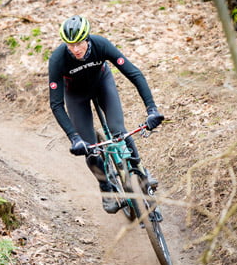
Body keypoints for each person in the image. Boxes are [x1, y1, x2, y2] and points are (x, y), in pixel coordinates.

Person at [48, 15, 164, 213]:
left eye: (79, 43)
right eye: (70, 45)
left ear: (87, 39)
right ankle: (106, 189)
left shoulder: (101, 44)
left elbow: (134, 73)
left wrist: (152, 109)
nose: (75, 49)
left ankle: (141, 173)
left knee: (119, 131)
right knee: (90, 149)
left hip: (102, 84)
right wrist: (74, 138)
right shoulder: (58, 59)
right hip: (76, 96)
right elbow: (56, 104)